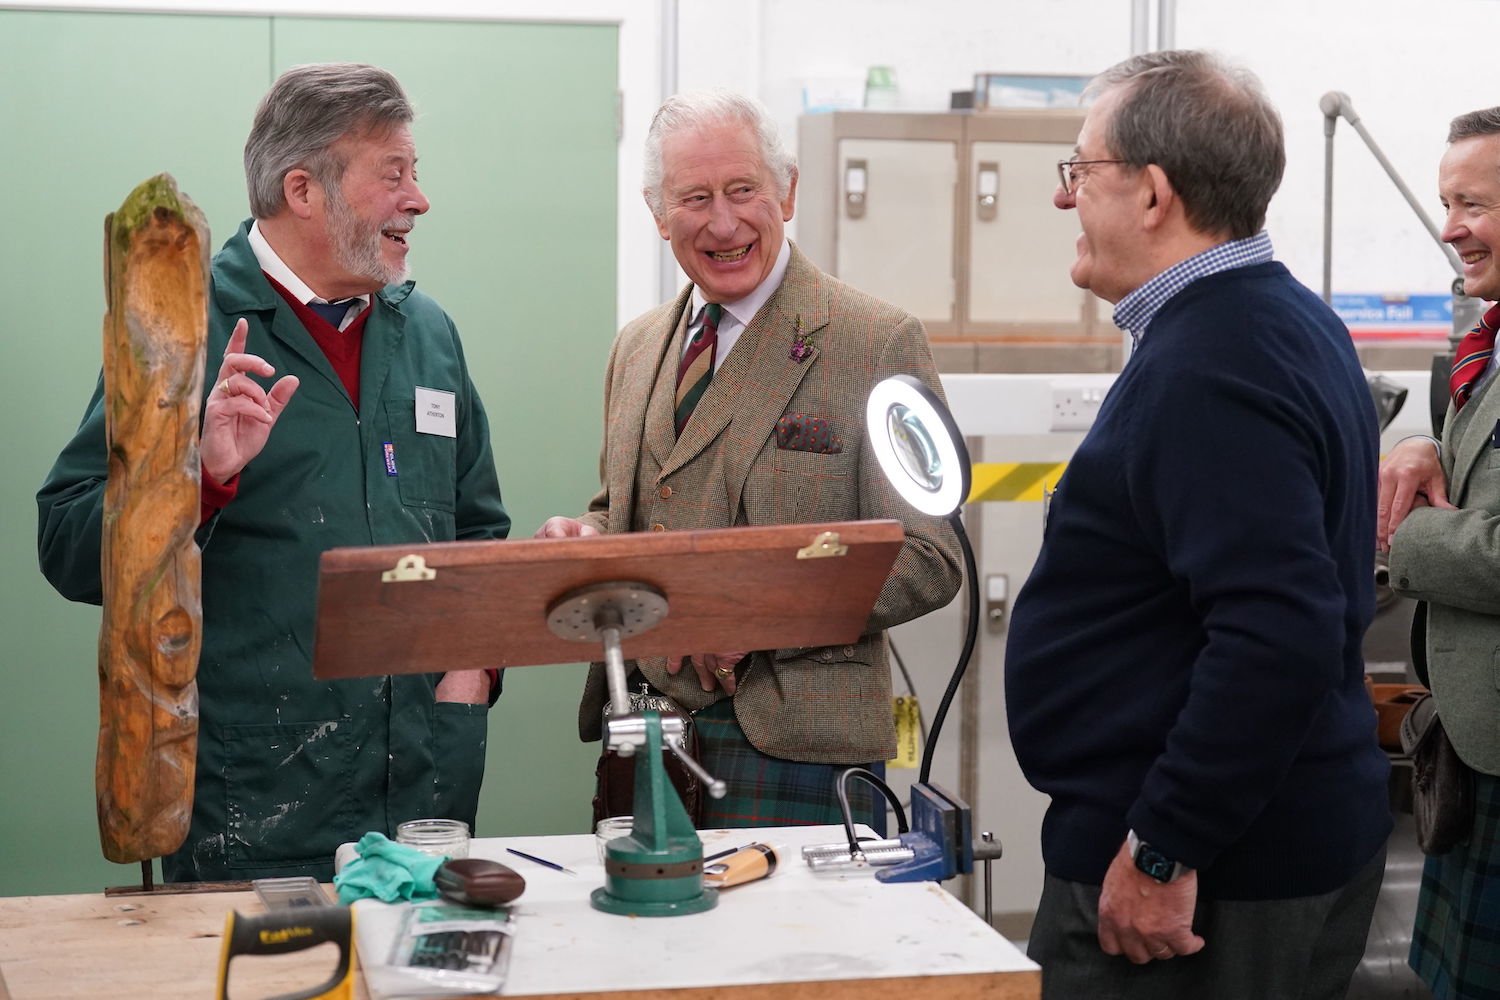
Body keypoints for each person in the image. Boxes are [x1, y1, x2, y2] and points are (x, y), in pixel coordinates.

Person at [36, 63, 510, 882]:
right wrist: (198, 478)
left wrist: (474, 673)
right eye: (393, 174)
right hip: (250, 807)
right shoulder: (186, 326)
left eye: (416, 173)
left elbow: (478, 530)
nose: (419, 199)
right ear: (303, 189)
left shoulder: (427, 332)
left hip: (429, 797)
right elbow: (69, 546)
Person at [1004, 50, 1390, 999]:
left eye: (1081, 171)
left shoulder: (1211, 366)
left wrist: (1167, 845)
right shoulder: (1284, 321)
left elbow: (1277, 633)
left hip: (1207, 886)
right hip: (1262, 842)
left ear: (1152, 194)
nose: (1065, 200)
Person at [536, 90, 961, 831]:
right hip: (644, 736)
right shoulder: (637, 349)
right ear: (657, 212)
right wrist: (588, 542)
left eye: (742, 191)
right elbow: (626, 511)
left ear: (787, 191)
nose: (723, 223)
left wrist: (761, 619)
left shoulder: (875, 342)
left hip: (798, 750)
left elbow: (930, 556)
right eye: (694, 198)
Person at [1379, 106, 1500, 999]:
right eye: (1446, 203)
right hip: (1475, 734)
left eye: (1474, 205)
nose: (1450, 228)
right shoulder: (1486, 343)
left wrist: (1389, 532)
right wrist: (1427, 444)